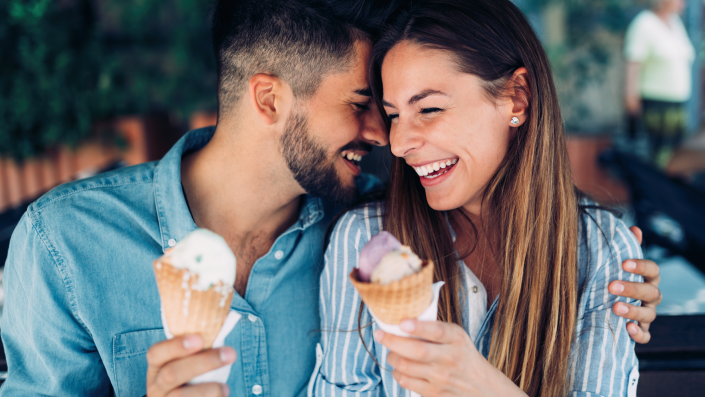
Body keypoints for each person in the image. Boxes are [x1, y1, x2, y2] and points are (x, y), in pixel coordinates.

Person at [0, 0, 660, 396]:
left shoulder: (369, 234)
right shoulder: (63, 242)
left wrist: (614, 261)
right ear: (269, 98)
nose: (388, 140)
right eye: (365, 106)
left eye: (409, 109)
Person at [312, 0, 660, 395]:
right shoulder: (365, 240)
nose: (398, 144)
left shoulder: (602, 250)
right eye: (393, 115)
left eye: (428, 108)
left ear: (517, 98)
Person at [624, 0, 694, 168]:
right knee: (655, 159)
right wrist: (630, 97)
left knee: (674, 159)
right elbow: (633, 63)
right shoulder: (644, 24)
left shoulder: (675, 23)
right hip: (654, 106)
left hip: (677, 105)